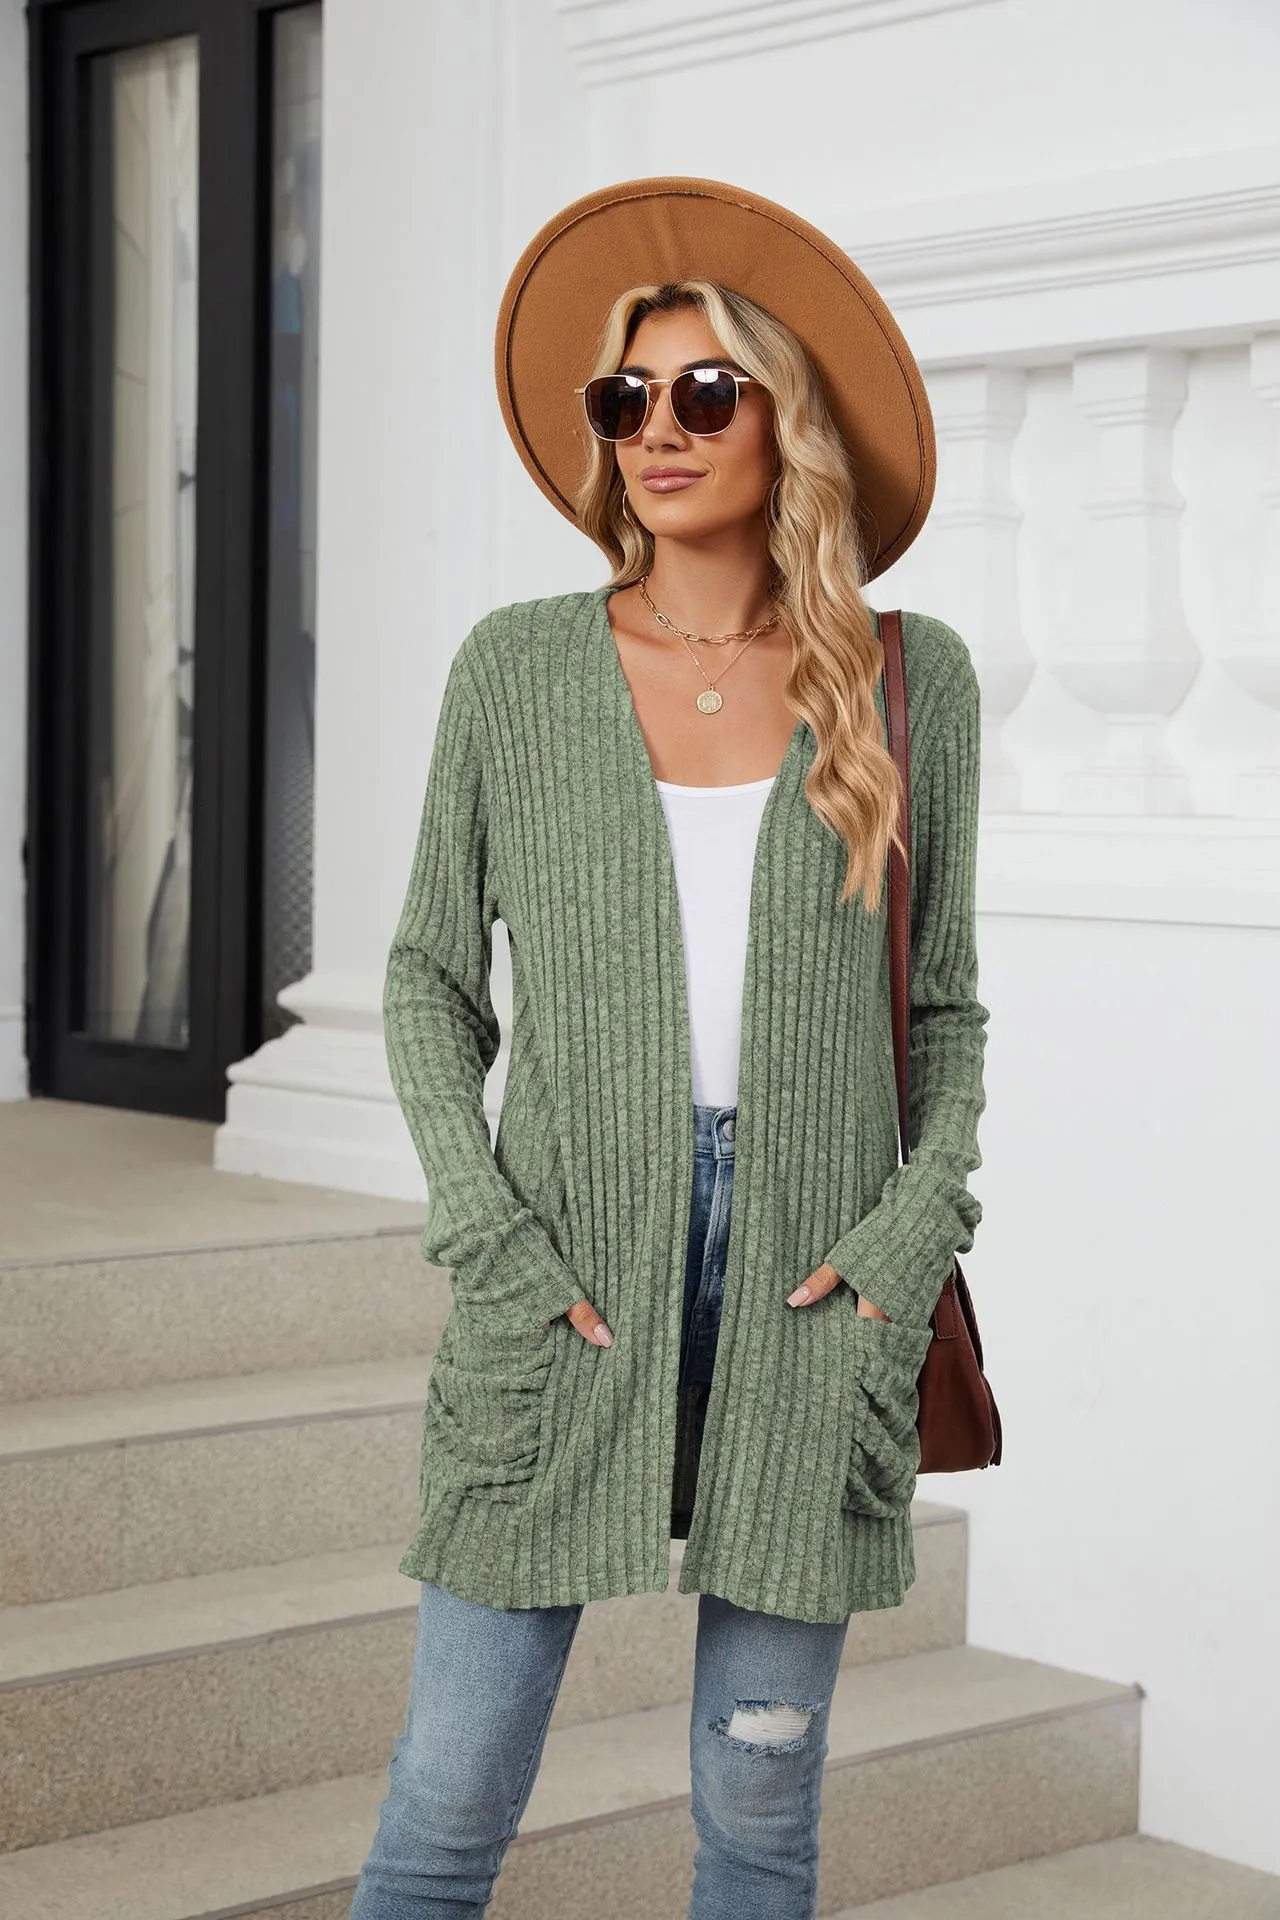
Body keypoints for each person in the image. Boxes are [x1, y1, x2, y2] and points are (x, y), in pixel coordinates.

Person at [351, 176, 988, 1920]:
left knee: (760, 1819)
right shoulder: (516, 671)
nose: (657, 428)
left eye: (706, 391)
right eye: (625, 397)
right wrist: (489, 1235)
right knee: (444, 1810)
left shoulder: (906, 681)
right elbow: (427, 979)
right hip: (564, 1268)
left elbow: (945, 1009)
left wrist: (903, 1246)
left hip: (815, 1287)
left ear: (788, 422)